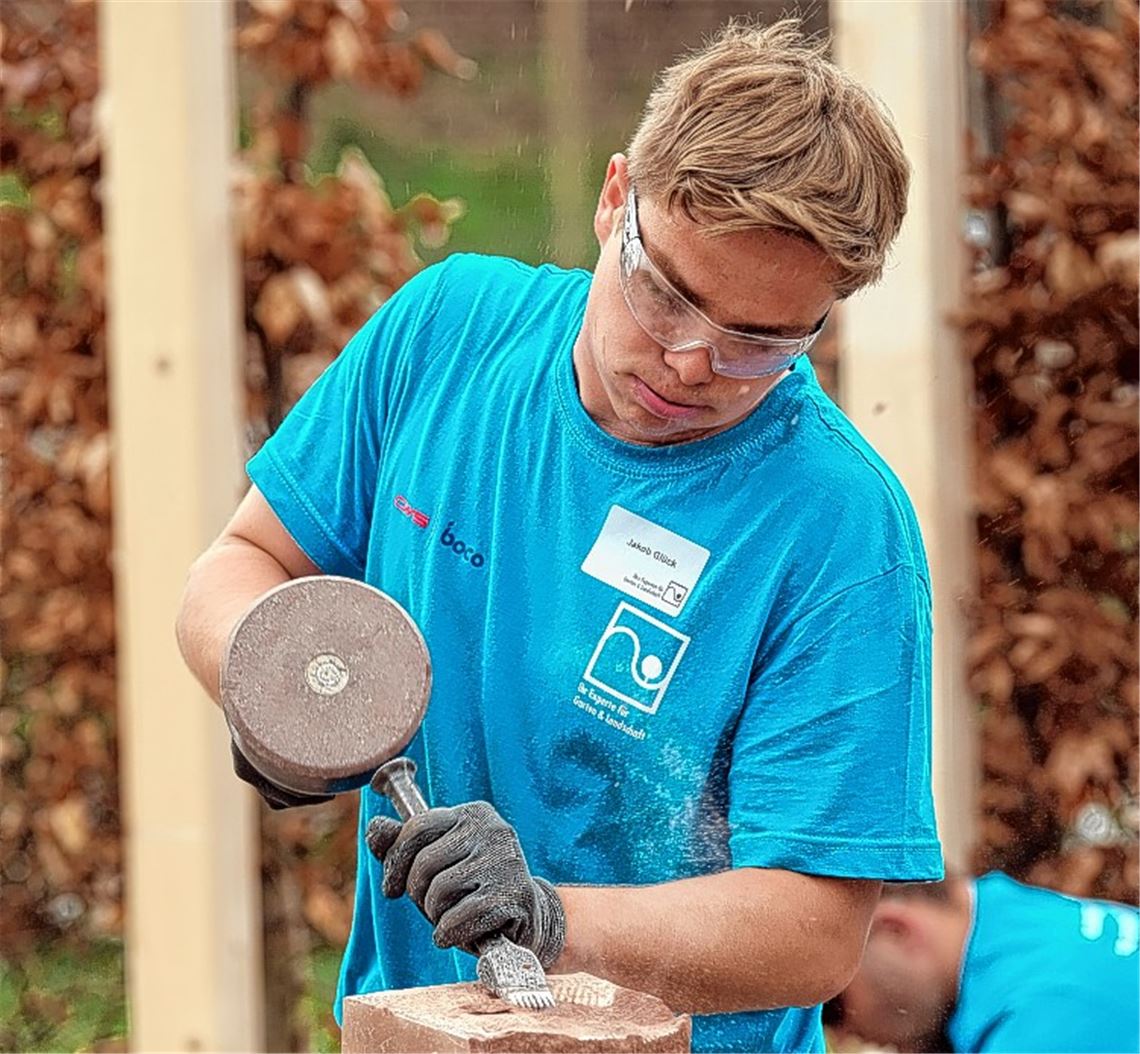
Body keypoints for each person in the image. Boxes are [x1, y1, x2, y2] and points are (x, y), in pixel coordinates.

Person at [176, 19, 943, 1053]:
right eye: (665, 291)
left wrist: (552, 915)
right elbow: (242, 565)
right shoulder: (447, 332)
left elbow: (813, 931)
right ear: (617, 195)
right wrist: (270, 678)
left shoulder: (839, 530)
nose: (688, 361)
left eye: (758, 344)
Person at [825, 871, 1140, 1053]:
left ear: (894, 930)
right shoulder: (1028, 928)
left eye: (831, 1006)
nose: (838, 1037)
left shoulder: (1038, 1021)